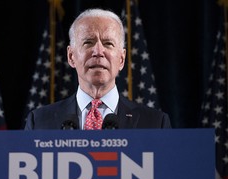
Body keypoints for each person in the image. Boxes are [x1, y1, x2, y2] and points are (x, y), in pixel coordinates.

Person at [25, 8, 171, 130]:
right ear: (71, 56)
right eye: (88, 42)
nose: (98, 51)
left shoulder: (156, 124)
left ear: (121, 59)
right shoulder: (39, 122)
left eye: (108, 43)